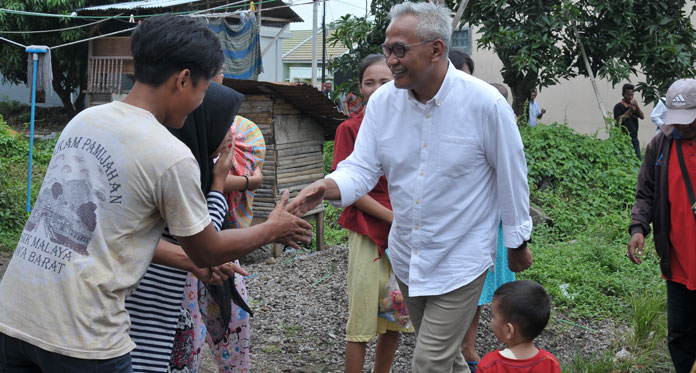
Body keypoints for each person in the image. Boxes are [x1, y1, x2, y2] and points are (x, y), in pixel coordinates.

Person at [0, 15, 312, 372]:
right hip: (83, 338)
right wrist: (273, 229)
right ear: (183, 79)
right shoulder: (170, 155)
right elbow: (205, 248)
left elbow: (99, 232)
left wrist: (190, 261)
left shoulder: (84, 120)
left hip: (14, 318)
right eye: (204, 87)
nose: (201, 99)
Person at [287, 2, 533, 371]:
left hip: (460, 259)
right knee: (445, 355)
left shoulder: (484, 104)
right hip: (407, 256)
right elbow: (362, 167)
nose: (391, 60)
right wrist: (327, 185)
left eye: (399, 50)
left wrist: (517, 242)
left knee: (428, 361)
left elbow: (511, 176)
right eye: (387, 49)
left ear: (436, 49)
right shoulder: (384, 104)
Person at [126, 81, 245, 373]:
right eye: (227, 125)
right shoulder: (178, 168)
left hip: (171, 295)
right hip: (155, 299)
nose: (231, 135)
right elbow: (205, 245)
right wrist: (218, 183)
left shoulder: (185, 161)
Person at [332, 54, 413, 373]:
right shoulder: (350, 129)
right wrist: (395, 218)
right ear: (360, 89)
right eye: (369, 82)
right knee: (362, 319)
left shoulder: (412, 125)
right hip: (369, 232)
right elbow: (348, 186)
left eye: (385, 81)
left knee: (395, 315)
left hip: (406, 236)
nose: (378, 88)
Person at [627, 78, 696, 373]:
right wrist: (638, 228)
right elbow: (645, 192)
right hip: (678, 259)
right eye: (677, 120)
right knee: (679, 334)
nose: (682, 127)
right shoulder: (660, 144)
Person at [478, 280, 561, 372]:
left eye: (493, 316)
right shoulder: (550, 363)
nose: (491, 320)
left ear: (509, 330)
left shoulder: (490, 365)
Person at [613, 83, 645, 159]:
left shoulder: (634, 106)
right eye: (628, 95)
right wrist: (629, 110)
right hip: (622, 138)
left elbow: (642, 116)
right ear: (623, 94)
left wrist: (637, 107)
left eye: (632, 95)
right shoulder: (618, 107)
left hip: (634, 137)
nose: (630, 97)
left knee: (638, 160)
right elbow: (619, 121)